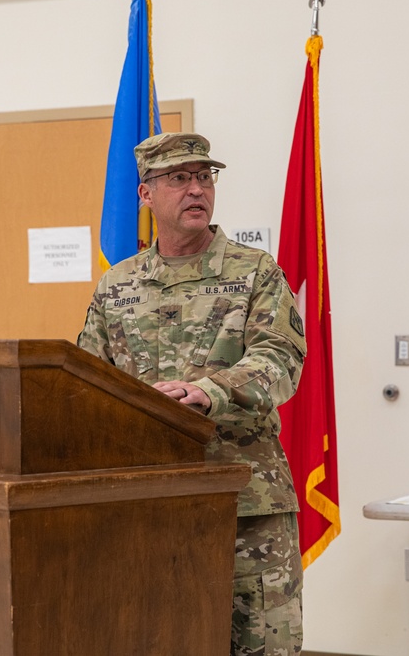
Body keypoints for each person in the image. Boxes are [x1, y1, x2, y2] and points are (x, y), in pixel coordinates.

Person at [77, 132, 307, 655]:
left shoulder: (255, 274)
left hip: (247, 505)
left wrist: (208, 392)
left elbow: (280, 361)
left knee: (262, 646)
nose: (196, 189)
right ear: (146, 194)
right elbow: (88, 382)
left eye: (204, 177)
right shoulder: (118, 285)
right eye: (179, 178)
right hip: (150, 502)